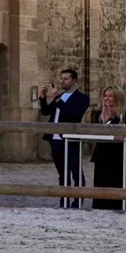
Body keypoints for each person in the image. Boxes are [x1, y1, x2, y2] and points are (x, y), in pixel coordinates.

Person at [45, 68, 88, 207]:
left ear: (74, 80)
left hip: (71, 138)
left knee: (76, 172)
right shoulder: (60, 96)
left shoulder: (82, 98)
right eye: (61, 78)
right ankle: (64, 201)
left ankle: (78, 202)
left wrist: (57, 97)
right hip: (55, 139)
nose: (62, 81)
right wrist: (42, 97)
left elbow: (72, 114)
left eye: (66, 79)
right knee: (62, 173)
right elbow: (46, 111)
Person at [88, 87, 126, 210]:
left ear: (117, 97)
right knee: (100, 181)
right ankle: (100, 206)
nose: (107, 98)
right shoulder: (98, 114)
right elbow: (97, 131)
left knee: (117, 181)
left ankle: (120, 206)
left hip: (118, 153)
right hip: (102, 152)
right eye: (105, 95)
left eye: (110, 96)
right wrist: (105, 119)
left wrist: (114, 117)